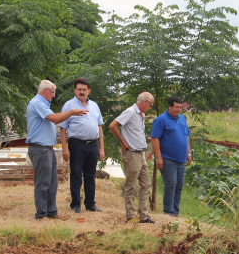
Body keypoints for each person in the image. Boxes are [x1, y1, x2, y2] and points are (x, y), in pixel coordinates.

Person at [26, 80, 87, 220]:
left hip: (47, 148)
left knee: (52, 182)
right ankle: (41, 214)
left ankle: (52, 212)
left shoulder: (43, 104)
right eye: (53, 92)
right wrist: (71, 111)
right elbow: (54, 118)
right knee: (43, 183)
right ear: (45, 91)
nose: (54, 95)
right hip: (40, 149)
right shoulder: (37, 103)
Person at [60, 78, 105, 213]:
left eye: (84, 89)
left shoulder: (95, 106)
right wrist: (64, 148)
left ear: (88, 91)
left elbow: (100, 127)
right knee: (76, 175)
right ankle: (75, 204)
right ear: (75, 90)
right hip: (76, 145)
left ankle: (90, 204)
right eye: (79, 89)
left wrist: (101, 148)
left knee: (90, 176)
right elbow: (62, 128)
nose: (81, 92)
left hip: (92, 145)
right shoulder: (69, 106)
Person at [109, 92, 156, 223]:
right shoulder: (130, 112)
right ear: (145, 102)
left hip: (140, 154)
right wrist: (123, 143)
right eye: (150, 105)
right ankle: (130, 216)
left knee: (146, 184)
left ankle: (143, 215)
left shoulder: (141, 114)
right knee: (131, 186)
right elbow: (113, 125)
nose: (150, 108)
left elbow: (135, 131)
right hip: (131, 154)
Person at [150, 97, 191, 217]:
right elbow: (155, 138)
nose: (179, 110)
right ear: (169, 106)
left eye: (180, 107)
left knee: (179, 185)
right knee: (171, 184)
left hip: (181, 159)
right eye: (176, 107)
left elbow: (186, 135)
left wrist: (188, 153)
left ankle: (175, 211)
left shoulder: (182, 118)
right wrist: (159, 158)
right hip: (168, 158)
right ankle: (168, 212)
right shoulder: (161, 120)